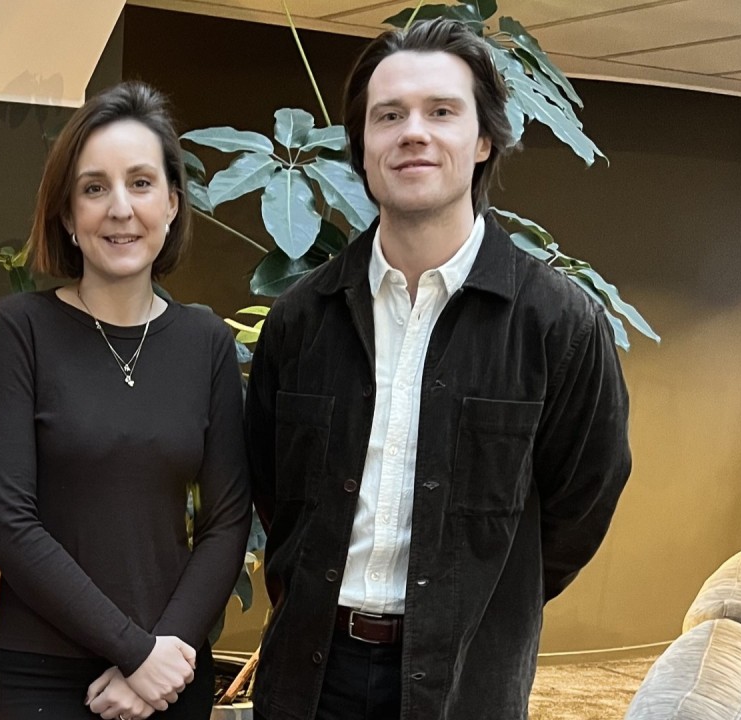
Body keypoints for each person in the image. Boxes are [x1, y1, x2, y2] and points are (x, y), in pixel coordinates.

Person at [245, 19, 632, 720]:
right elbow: (277, 494)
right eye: (389, 116)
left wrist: (481, 598)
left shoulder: (558, 324)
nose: (413, 133)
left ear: (484, 140)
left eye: (442, 112)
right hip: (309, 678)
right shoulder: (301, 318)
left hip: (464, 685)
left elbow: (581, 503)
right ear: (362, 146)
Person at [0, 80, 252, 720]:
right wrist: (133, 652)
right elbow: (7, 520)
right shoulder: (21, 329)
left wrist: (163, 655)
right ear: (68, 215)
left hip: (173, 669)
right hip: (42, 675)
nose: (120, 208)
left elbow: (228, 520)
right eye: (94, 188)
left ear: (173, 203)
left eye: (141, 183)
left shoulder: (206, 340)